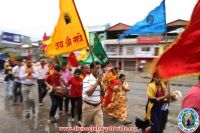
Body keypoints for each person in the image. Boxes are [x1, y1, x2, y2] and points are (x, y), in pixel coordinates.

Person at [82, 62, 104, 133]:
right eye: (97, 68)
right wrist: (96, 83)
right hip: (88, 107)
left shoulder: (100, 79)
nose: (99, 69)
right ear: (91, 69)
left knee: (100, 129)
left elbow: (103, 93)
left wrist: (100, 84)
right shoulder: (86, 79)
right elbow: (88, 93)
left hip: (98, 107)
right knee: (85, 129)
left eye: (100, 68)